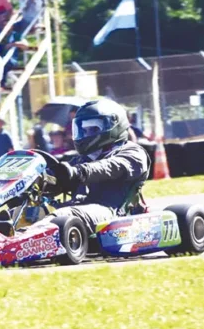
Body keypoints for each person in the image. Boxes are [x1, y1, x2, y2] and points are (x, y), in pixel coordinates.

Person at [46, 99, 151, 232]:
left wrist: (78, 172)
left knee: (63, 216)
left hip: (112, 211)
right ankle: (15, 240)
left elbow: (110, 167)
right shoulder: (84, 158)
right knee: (37, 211)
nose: (87, 134)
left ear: (114, 126)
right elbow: (62, 175)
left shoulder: (133, 152)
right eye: (83, 129)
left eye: (94, 129)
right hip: (81, 207)